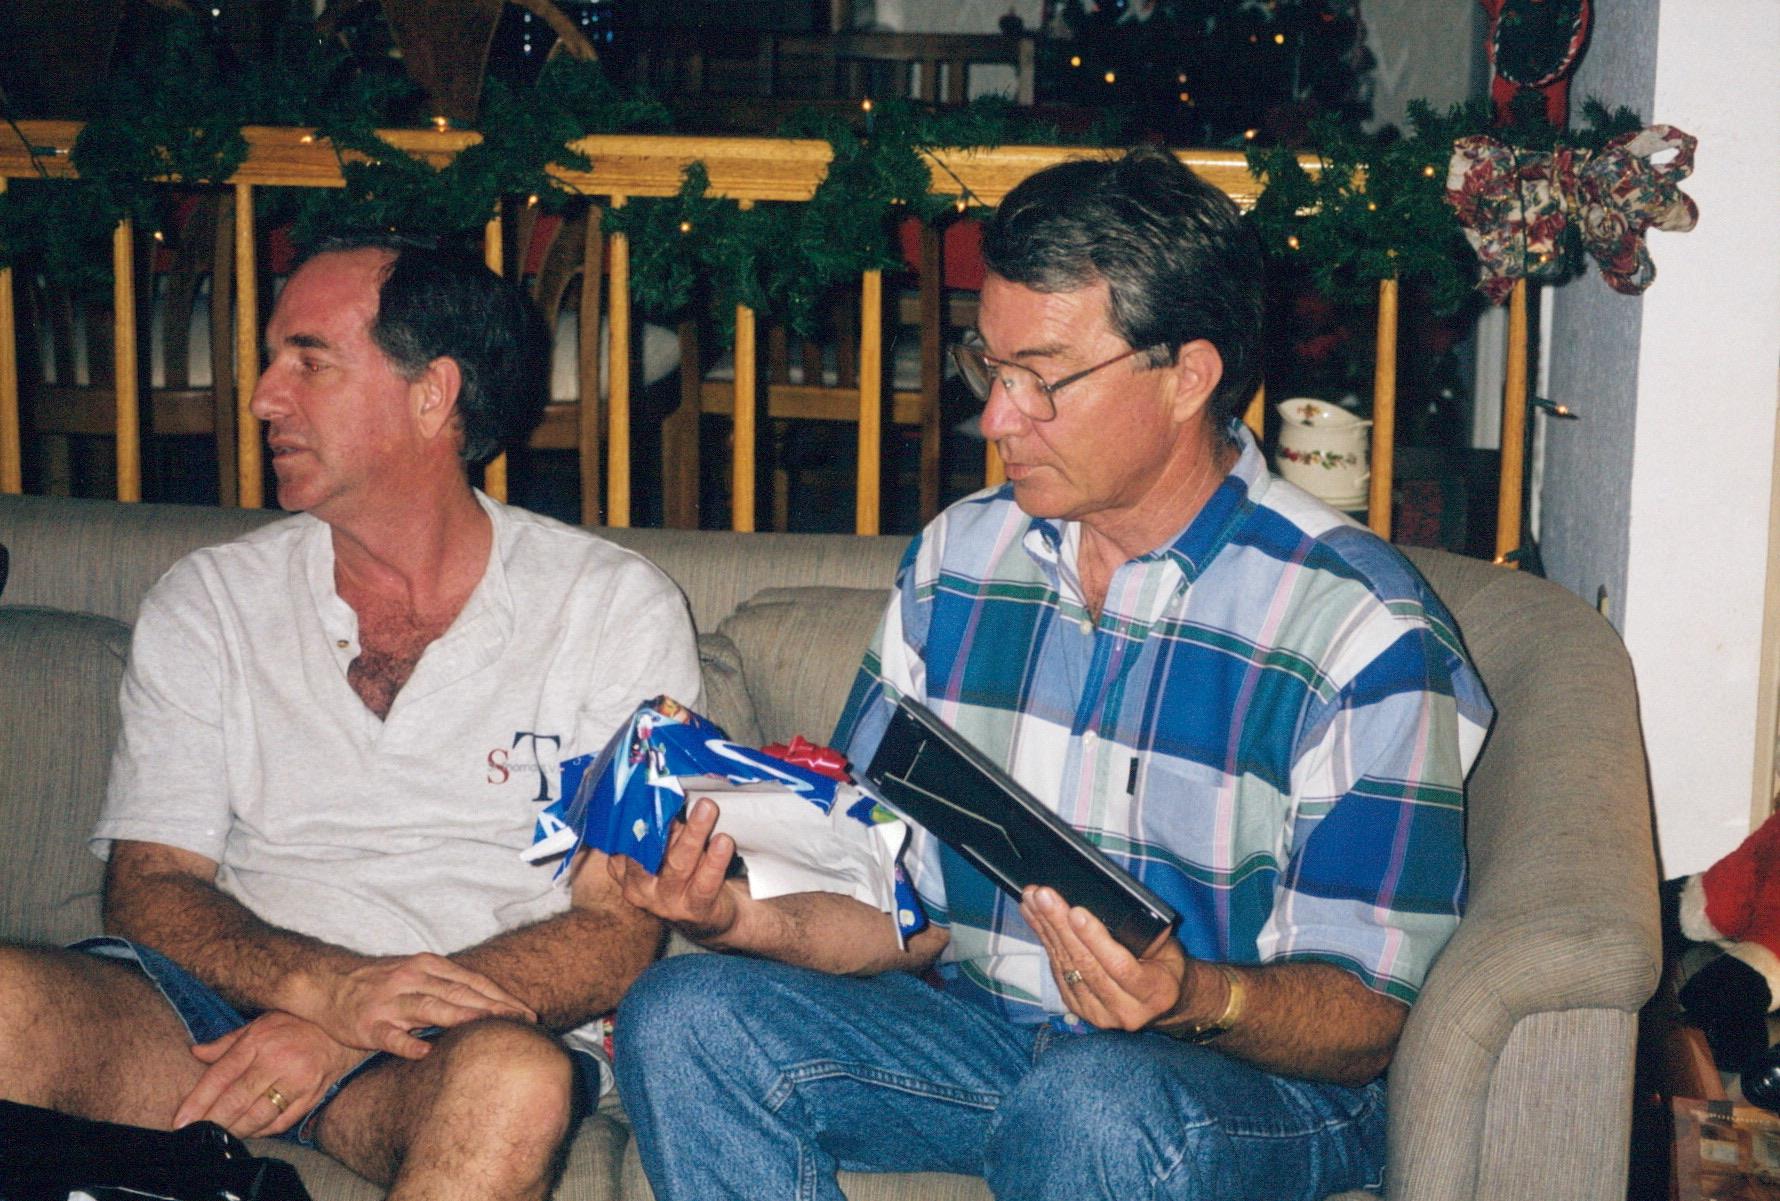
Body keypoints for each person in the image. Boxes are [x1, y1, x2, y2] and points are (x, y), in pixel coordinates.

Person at [608, 148, 1493, 1201]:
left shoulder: (1357, 626)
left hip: (1243, 1078)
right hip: (988, 1040)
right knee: (684, 1015)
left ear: (1188, 376)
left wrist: (1188, 994)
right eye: (990, 369)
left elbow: (1368, 1016)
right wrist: (746, 920)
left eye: (1043, 378)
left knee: (1092, 1101)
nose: (996, 418)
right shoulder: (960, 560)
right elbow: (900, 902)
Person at [0, 235, 701, 1201]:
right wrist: (323, 992)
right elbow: (150, 883)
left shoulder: (613, 607)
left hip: (454, 1044)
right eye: (270, 361)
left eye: (309, 361)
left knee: (515, 1082)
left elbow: (614, 930)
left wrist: (355, 1027)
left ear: (432, 395)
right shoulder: (211, 599)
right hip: (207, 1014)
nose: (262, 397)